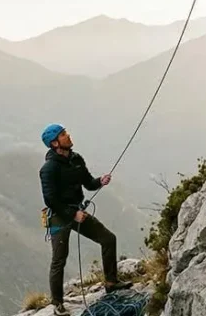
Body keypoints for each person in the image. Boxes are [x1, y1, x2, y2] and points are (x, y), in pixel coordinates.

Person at [39, 123, 132, 314]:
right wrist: (73, 214)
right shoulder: (48, 169)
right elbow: (50, 200)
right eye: (63, 134)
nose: (68, 135)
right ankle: (57, 303)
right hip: (59, 216)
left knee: (108, 239)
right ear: (55, 143)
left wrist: (100, 182)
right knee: (59, 259)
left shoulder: (76, 159)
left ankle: (111, 282)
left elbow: (88, 183)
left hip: (77, 212)